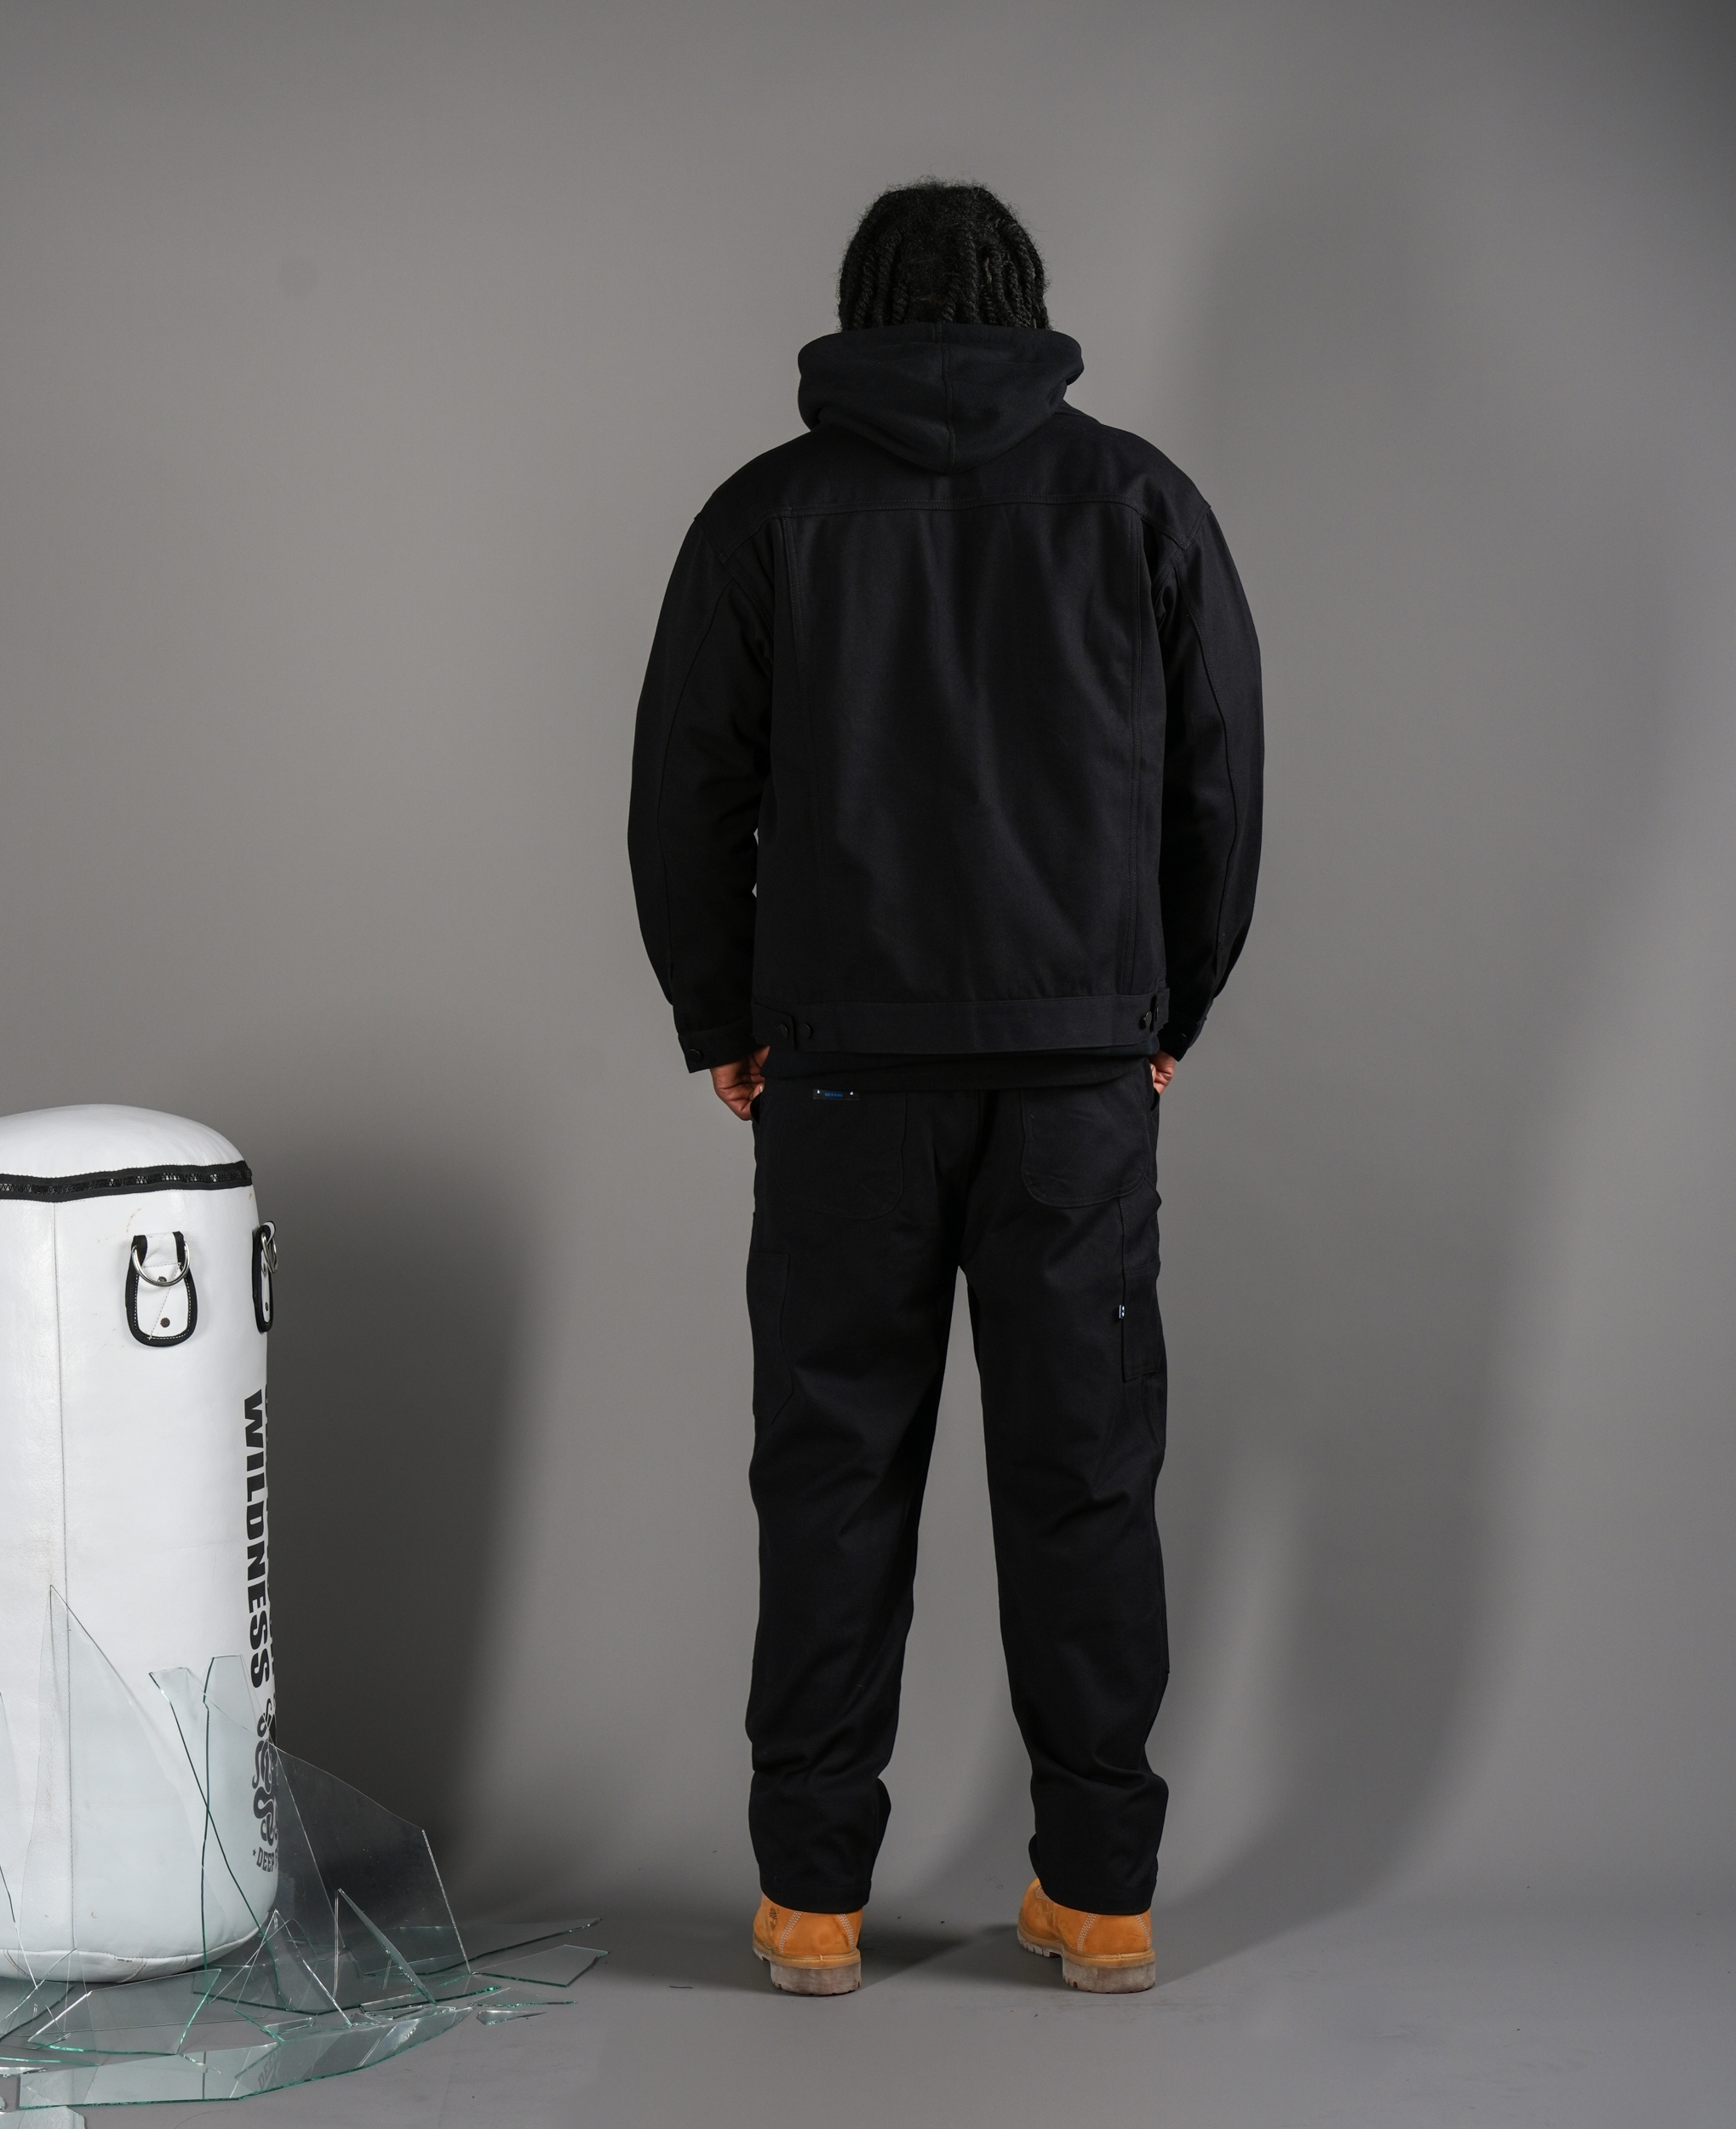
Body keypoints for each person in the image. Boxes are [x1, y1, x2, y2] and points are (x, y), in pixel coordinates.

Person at [627, 181, 1263, 1997]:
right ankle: (1101, 1895)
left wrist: (718, 1014)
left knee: (832, 1475)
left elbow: (683, 787)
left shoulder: (766, 513)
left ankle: (812, 1899)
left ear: (859, 309)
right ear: (1025, 304)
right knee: (1085, 1478)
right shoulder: (1136, 499)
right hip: (1076, 1078)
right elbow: (1216, 774)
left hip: (841, 1078)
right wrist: (1167, 1002)